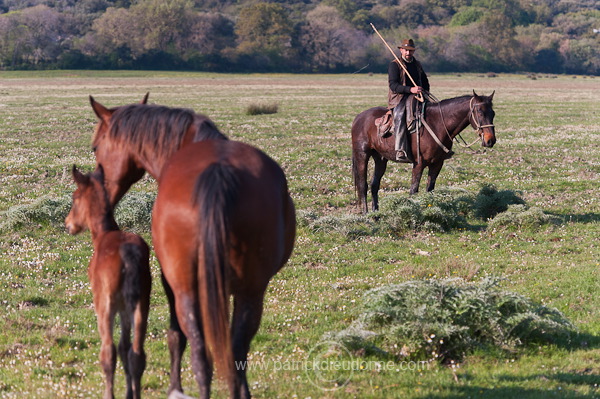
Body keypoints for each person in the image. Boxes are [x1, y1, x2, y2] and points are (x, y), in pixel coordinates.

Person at [388, 38, 430, 162]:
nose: (408, 53)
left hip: (418, 95)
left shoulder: (417, 64)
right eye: (406, 50)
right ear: (401, 50)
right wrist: (410, 89)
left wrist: (425, 91)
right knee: (400, 115)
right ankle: (400, 149)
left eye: (411, 51)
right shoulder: (394, 65)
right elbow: (393, 85)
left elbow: (425, 81)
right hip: (399, 98)